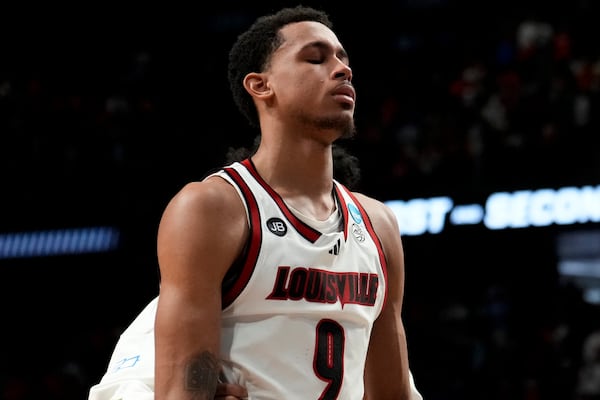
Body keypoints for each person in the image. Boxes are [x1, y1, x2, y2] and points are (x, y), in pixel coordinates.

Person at [88, 5, 423, 400]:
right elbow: (183, 383)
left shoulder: (378, 224)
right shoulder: (214, 208)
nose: (342, 69)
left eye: (343, 59)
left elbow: (391, 391)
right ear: (261, 85)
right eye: (316, 58)